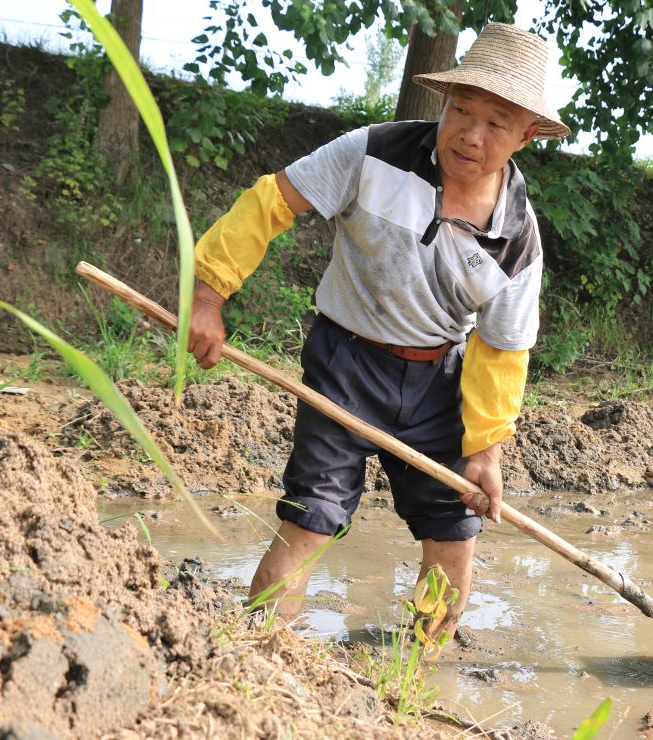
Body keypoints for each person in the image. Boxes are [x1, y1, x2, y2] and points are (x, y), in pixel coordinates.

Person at [188, 23, 571, 640]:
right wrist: (208, 295)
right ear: (442, 103)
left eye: (496, 123)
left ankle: (414, 683)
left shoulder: (519, 240)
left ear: (528, 134)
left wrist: (486, 451)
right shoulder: (373, 153)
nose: (470, 133)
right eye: (461, 109)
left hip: (439, 385)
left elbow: (500, 353)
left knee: (453, 542)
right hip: (346, 363)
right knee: (308, 520)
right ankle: (251, 658)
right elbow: (271, 203)